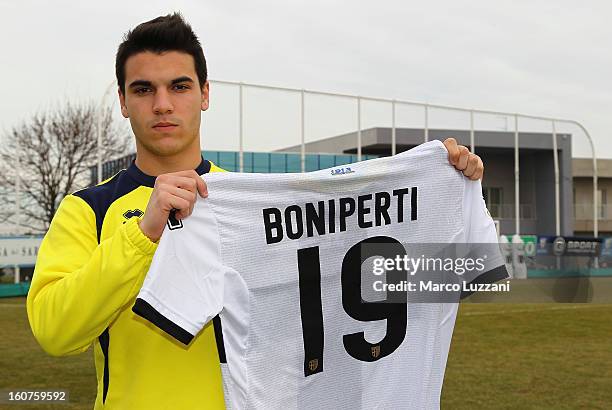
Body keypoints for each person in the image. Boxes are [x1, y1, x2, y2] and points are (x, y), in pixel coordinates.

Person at [26, 13, 485, 410]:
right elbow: (56, 331)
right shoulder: (89, 209)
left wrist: (441, 192)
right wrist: (142, 234)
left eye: (179, 86)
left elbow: (414, 277)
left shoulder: (257, 206)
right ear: (123, 102)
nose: (162, 104)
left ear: (205, 94)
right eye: (143, 89)